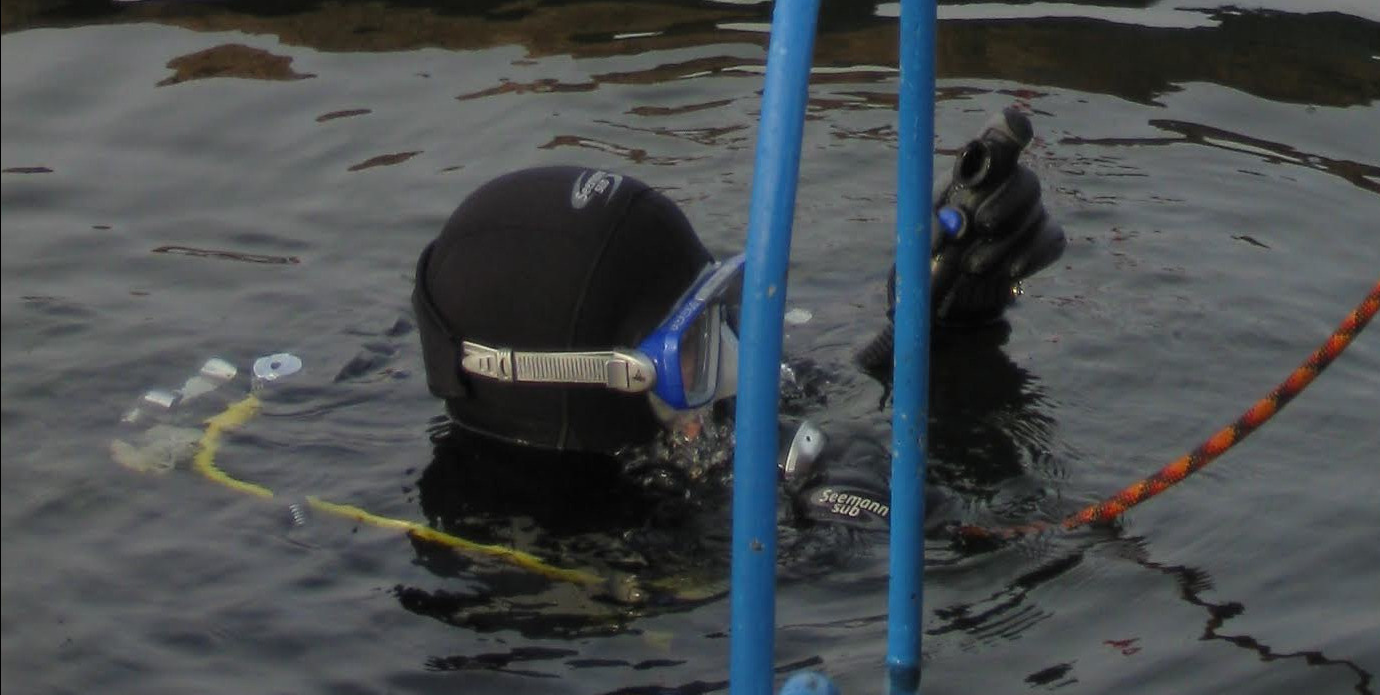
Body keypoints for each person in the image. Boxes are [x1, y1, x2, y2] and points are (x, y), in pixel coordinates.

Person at [412, 107, 1064, 526]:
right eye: (693, 343)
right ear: (595, 386)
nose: (739, 369)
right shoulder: (582, 568)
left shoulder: (693, 422)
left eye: (723, 310)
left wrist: (950, 333)